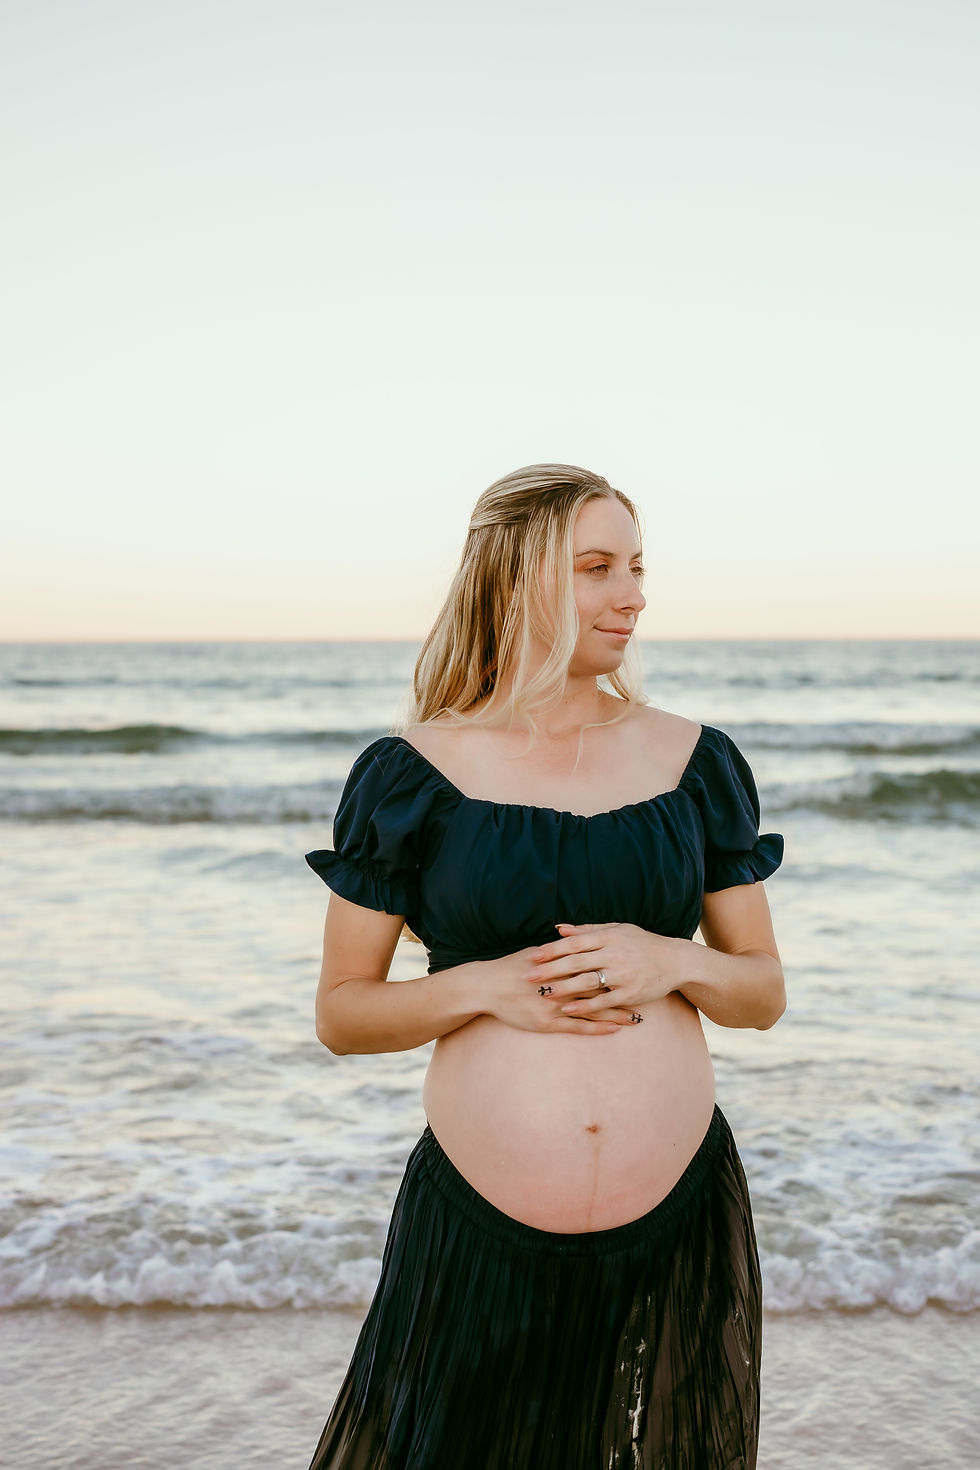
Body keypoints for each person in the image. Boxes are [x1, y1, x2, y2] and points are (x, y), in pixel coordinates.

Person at [304, 463, 785, 1470]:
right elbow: (344, 1014)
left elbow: (760, 993)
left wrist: (669, 961)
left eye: (637, 567)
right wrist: (479, 985)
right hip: (476, 1227)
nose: (633, 595)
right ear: (515, 581)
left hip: (677, 1218)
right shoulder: (410, 772)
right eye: (597, 568)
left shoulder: (696, 761)